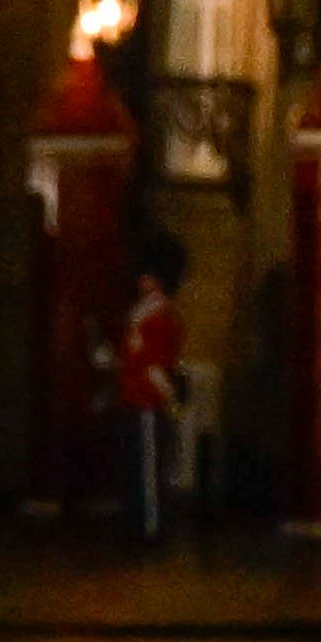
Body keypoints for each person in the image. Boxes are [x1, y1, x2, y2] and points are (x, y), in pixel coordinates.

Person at [116, 232, 192, 552]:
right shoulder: (145, 314)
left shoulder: (159, 316)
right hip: (136, 398)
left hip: (148, 401)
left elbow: (157, 365)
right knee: (139, 468)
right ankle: (142, 525)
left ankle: (151, 530)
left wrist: (168, 399)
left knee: (148, 471)